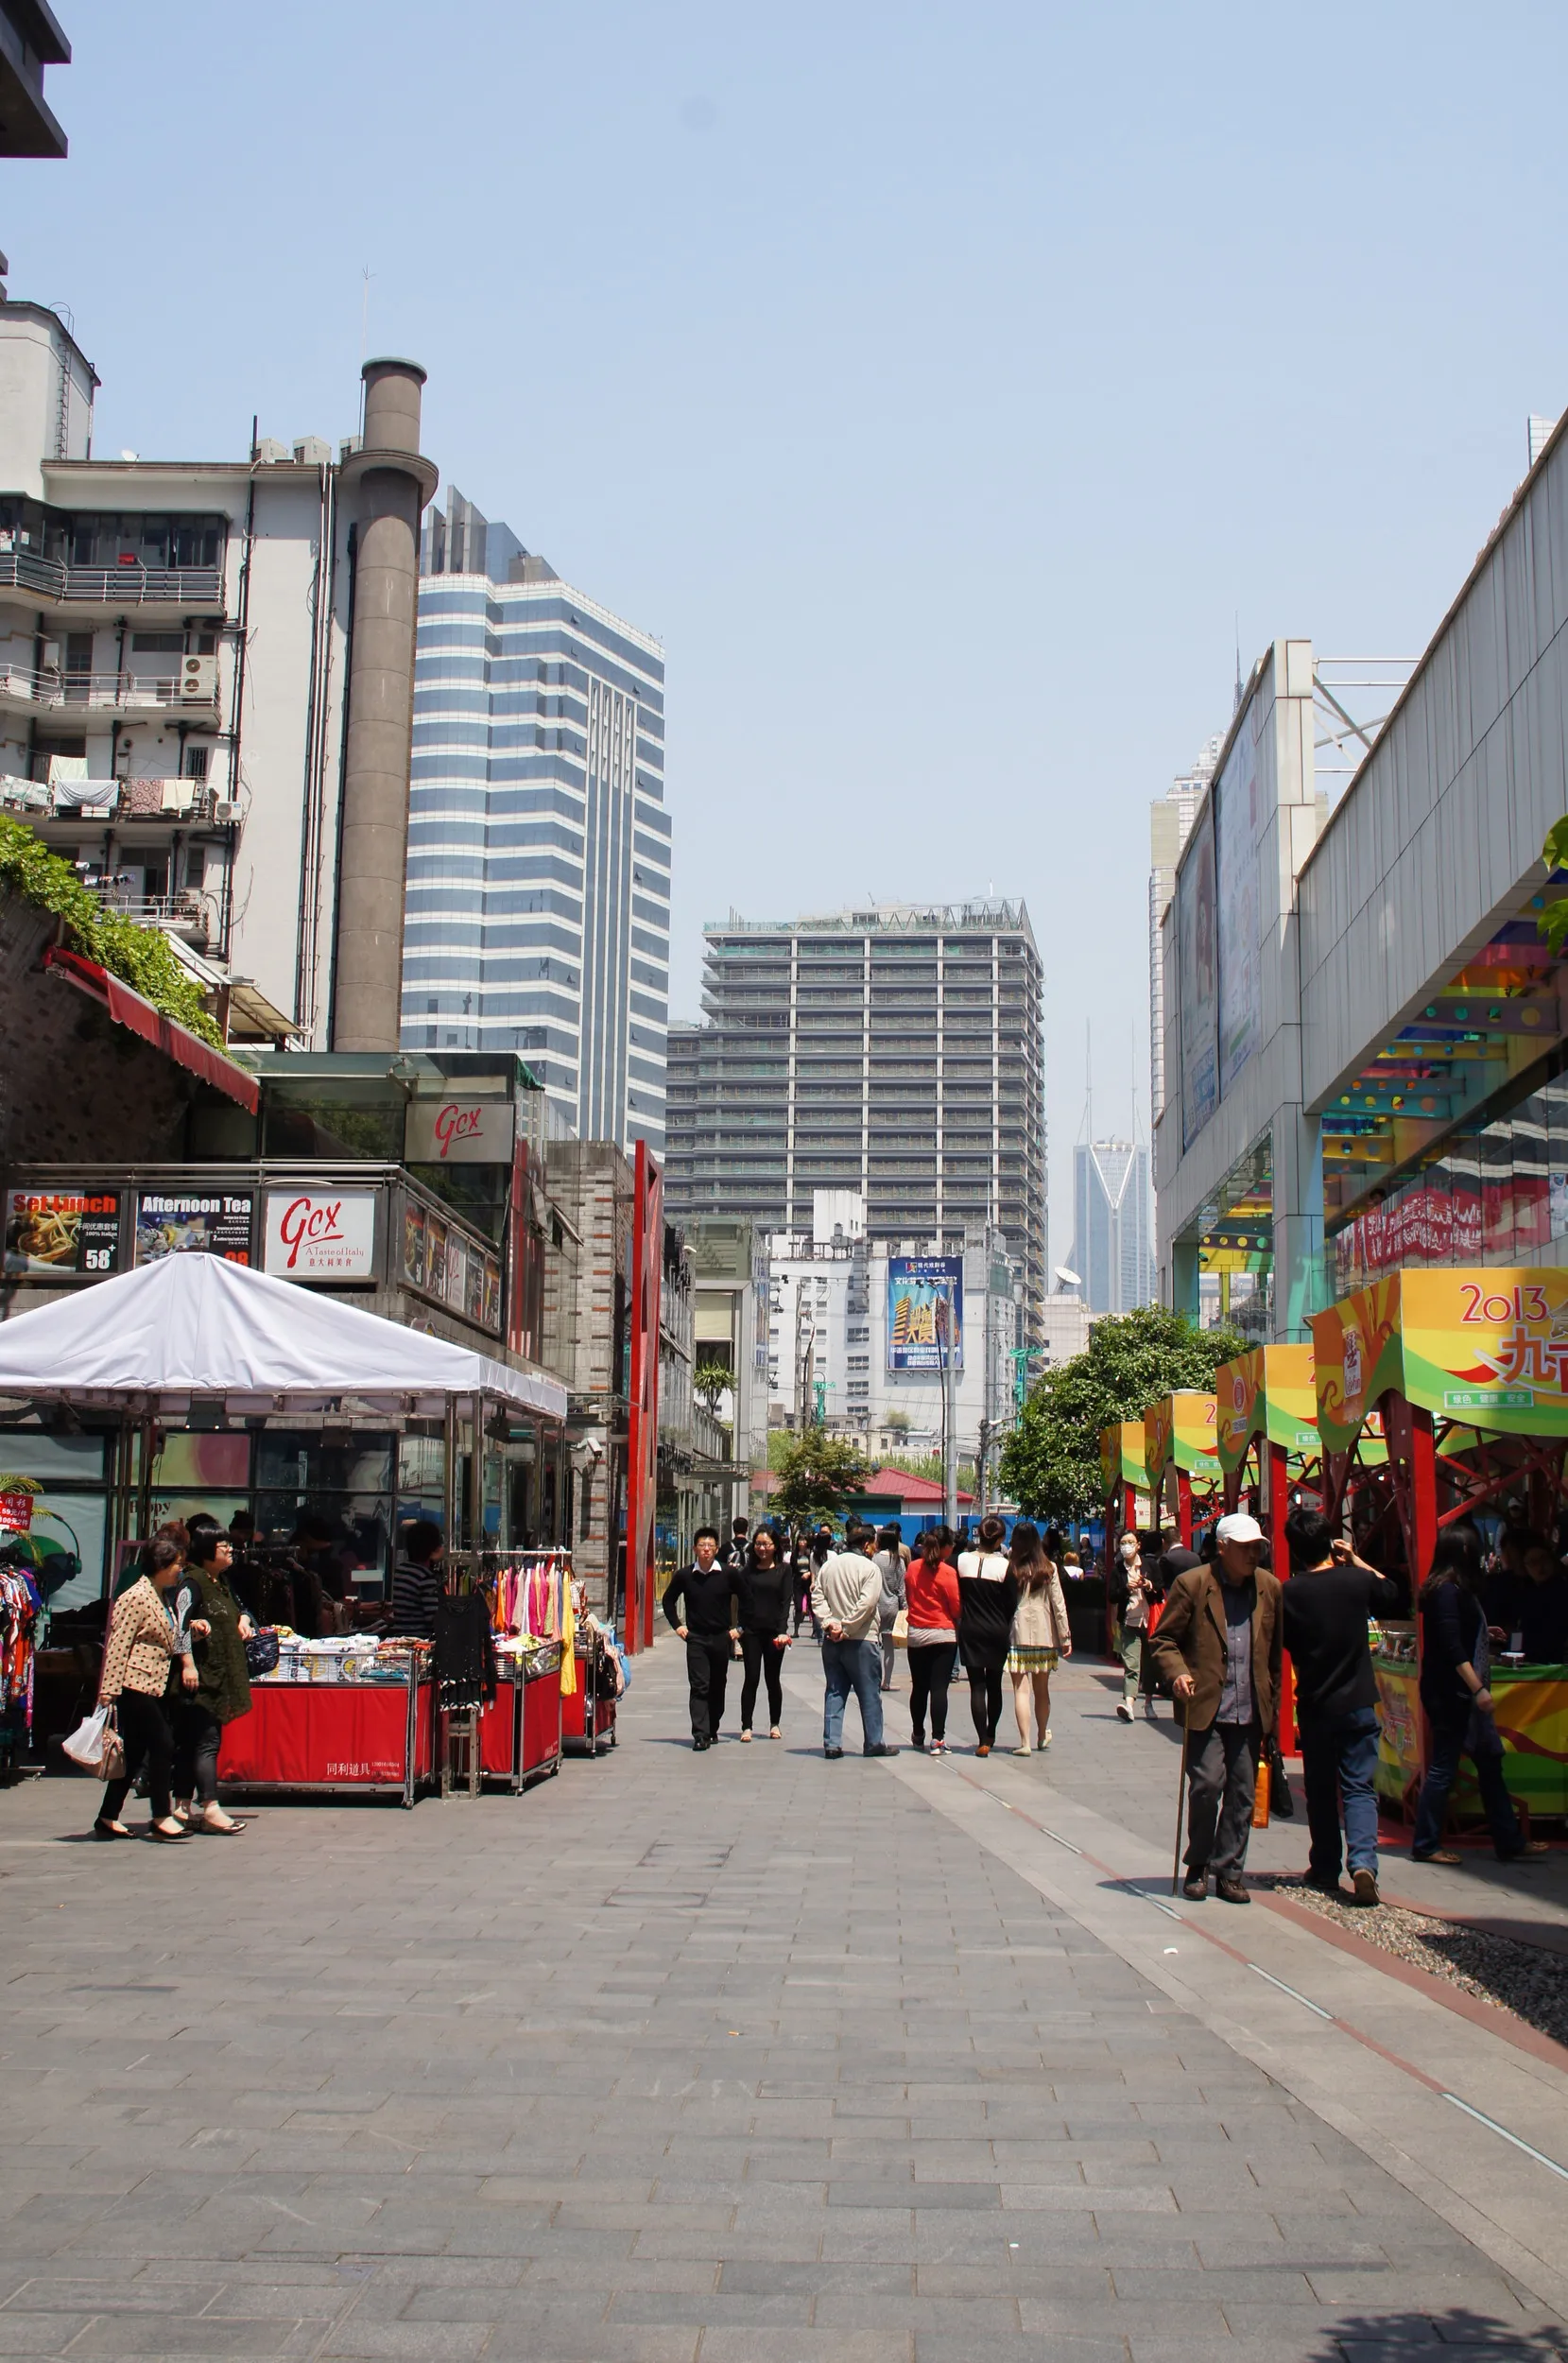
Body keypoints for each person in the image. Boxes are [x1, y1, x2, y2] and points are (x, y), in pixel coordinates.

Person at [1150, 1509, 1283, 1904]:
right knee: (1207, 1785)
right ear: (1222, 1548)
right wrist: (1177, 1673)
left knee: (1243, 1792)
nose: (1253, 1555)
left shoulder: (1269, 1587)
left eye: (1257, 1547)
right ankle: (1198, 1863)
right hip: (1206, 1704)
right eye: (1244, 1548)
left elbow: (1274, 1653)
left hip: (1250, 1707)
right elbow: (1164, 1639)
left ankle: (1230, 1871)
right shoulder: (1193, 1585)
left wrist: (1272, 1706)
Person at [1282, 1508, 1404, 1906]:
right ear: (1331, 1543)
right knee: (1359, 1786)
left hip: (1316, 1702)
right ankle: (1364, 1861)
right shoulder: (1356, 1581)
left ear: (1295, 1550)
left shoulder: (1291, 1592)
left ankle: (1325, 1866)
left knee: (1318, 1789)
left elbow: (1283, 1644)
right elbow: (1392, 1594)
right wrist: (1355, 1559)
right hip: (1357, 1700)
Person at [1412, 1528, 1549, 1866]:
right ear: (1463, 1551)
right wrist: (1478, 1688)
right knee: (1446, 1765)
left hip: (1455, 1690)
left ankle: (1509, 1839)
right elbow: (1452, 1646)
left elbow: (1454, 1635)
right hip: (1453, 1693)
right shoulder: (1447, 1591)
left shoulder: (1450, 1589)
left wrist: (1481, 1632)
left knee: (1488, 1763)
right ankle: (1426, 1842)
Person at [94, 1536, 189, 1842]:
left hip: (154, 1684)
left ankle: (107, 1816)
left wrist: (194, 1637)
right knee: (162, 1744)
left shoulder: (163, 1596)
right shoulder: (135, 1597)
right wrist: (108, 1690)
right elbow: (118, 1646)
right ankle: (162, 1815)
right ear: (161, 1565)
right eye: (177, 1564)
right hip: (135, 1684)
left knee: (134, 1752)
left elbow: (169, 1638)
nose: (180, 1571)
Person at [170, 1523, 256, 1836]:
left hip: (218, 1677)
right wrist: (188, 1664)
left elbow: (243, 1609)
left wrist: (243, 1620)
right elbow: (178, 1626)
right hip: (200, 1679)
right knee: (206, 1742)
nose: (230, 1550)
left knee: (192, 1743)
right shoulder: (192, 1584)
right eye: (223, 1546)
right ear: (207, 1553)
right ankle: (210, 1807)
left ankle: (181, 1807)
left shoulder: (221, 1583)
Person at [810, 1520, 897, 1759]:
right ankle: (873, 1742)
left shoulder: (829, 1566)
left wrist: (830, 1624)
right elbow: (867, 1604)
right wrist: (846, 1628)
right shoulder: (869, 1569)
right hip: (861, 1639)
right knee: (869, 1693)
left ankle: (832, 1743)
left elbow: (817, 1596)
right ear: (867, 1544)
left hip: (832, 1640)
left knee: (835, 1691)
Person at [662, 1526, 740, 1751]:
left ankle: (712, 1726)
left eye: (710, 1546)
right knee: (699, 1686)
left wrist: (739, 1629)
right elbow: (668, 1601)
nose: (706, 1550)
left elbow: (747, 1598)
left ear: (716, 1549)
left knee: (718, 1685)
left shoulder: (728, 1574)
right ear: (695, 1549)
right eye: (702, 1546)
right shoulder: (685, 1575)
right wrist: (678, 1626)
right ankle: (700, 1734)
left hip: (721, 1637)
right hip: (696, 1638)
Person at [1005, 1522, 1072, 1753]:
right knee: (1042, 1689)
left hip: (1019, 1632)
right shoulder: (1049, 1568)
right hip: (1044, 1633)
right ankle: (1042, 1735)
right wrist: (1065, 1636)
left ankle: (1024, 1743)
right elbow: (1058, 1604)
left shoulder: (1011, 1567)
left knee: (1021, 1689)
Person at [956, 1513, 1019, 1756]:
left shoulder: (962, 1560)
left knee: (976, 1687)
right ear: (1000, 1538)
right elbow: (1011, 1602)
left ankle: (981, 1738)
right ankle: (990, 1733)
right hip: (997, 1629)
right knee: (994, 1684)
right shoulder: (1005, 1566)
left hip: (970, 1628)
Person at [905, 1526, 961, 1751]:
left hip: (917, 1633)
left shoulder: (912, 1568)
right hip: (943, 1634)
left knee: (919, 1687)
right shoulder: (948, 1573)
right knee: (939, 1688)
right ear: (945, 1548)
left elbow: (909, 1596)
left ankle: (918, 1732)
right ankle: (938, 1738)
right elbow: (956, 1607)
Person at [737, 1526, 792, 1740]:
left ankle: (774, 1723)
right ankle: (746, 1726)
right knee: (751, 1678)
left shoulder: (784, 1570)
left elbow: (786, 1601)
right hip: (751, 1632)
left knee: (772, 1679)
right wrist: (740, 1628)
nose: (762, 1548)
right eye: (758, 1544)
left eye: (766, 1544)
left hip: (774, 1633)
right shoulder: (747, 1572)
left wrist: (782, 1631)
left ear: (775, 1546)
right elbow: (742, 1602)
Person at [1110, 1532, 1153, 1723]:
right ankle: (1129, 1705)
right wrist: (1126, 1588)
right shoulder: (1118, 1570)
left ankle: (1149, 1702)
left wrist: (1147, 1584)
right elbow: (1112, 1596)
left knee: (1151, 1664)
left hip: (1151, 1621)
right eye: (1123, 1543)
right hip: (1129, 1622)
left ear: (1138, 1545)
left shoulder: (1149, 1565)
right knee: (1131, 1665)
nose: (1126, 1546)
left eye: (1130, 1542)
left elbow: (1160, 1586)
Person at [389, 1519, 445, 1639]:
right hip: (420, 1639)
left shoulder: (401, 1570)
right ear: (433, 1549)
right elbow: (434, 1618)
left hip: (400, 1637)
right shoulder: (425, 1577)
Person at [1517, 1543, 1568, 1664]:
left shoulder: (1563, 1589)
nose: (1540, 1565)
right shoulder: (1524, 1593)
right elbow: (1519, 1627)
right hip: (1530, 1659)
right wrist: (1514, 1651)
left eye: (1543, 1558)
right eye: (1532, 1562)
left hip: (1558, 1661)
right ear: (1525, 1567)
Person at [874, 1525, 906, 1691]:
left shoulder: (875, 1559)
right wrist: (905, 1608)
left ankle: (874, 1679)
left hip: (875, 1605)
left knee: (873, 1644)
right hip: (892, 1605)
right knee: (888, 1647)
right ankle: (886, 1681)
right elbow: (902, 1588)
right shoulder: (898, 1560)